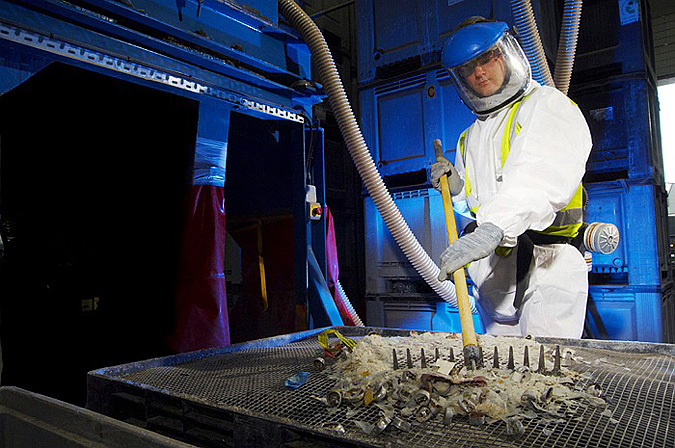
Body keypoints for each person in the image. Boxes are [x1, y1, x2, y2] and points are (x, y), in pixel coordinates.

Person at [431, 17, 592, 338]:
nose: (479, 72)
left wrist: (495, 226)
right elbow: (478, 207)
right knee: (500, 380)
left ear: (505, 56)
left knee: (546, 374)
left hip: (548, 265)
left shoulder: (546, 105)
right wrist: (458, 190)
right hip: (494, 271)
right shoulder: (468, 137)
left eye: (485, 59)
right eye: (468, 68)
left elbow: (539, 176)